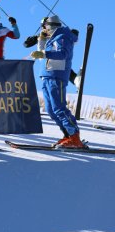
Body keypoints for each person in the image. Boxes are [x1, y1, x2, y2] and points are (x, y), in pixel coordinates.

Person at [30, 15, 85, 149]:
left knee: (59, 108)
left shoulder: (62, 37)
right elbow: (42, 53)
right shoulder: (52, 38)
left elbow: (62, 54)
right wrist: (42, 40)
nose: (43, 29)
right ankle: (68, 135)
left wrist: (44, 54)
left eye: (44, 26)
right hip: (47, 75)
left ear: (50, 26)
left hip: (56, 76)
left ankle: (74, 137)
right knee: (51, 110)